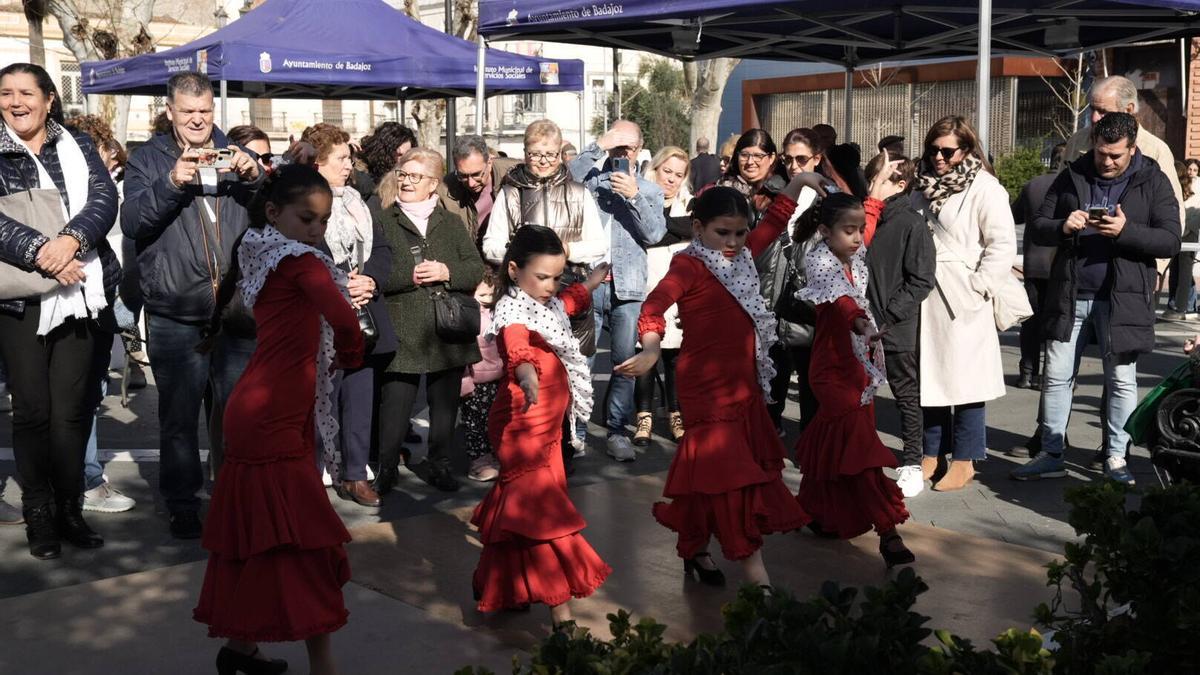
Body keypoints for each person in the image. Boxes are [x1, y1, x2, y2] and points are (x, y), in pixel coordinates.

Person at [193, 164, 362, 675]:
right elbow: (346, 319)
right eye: (307, 218)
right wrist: (349, 356)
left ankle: (240, 650)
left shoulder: (258, 247)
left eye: (323, 220)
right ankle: (323, 666)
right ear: (274, 212)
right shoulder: (301, 262)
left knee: (263, 536)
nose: (317, 230)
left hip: (263, 406)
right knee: (301, 542)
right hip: (272, 415)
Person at [615, 181, 816, 590]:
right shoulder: (688, 265)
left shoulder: (743, 255)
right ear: (698, 226)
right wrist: (652, 349)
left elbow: (776, 220)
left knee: (714, 477)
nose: (733, 241)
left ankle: (695, 548)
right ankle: (756, 575)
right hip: (705, 388)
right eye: (722, 232)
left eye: (740, 233)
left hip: (742, 385)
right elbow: (653, 307)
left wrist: (802, 181)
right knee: (731, 477)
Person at [122, 71, 264, 538]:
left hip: (236, 308)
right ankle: (182, 502)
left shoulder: (237, 154)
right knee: (179, 418)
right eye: (188, 112)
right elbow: (133, 222)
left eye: (205, 112)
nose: (198, 121)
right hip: (175, 309)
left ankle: (236, 495)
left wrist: (256, 176)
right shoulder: (149, 158)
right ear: (170, 112)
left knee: (238, 413)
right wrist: (171, 181)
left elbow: (273, 214)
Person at [1013, 113, 1181, 485]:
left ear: (1132, 148)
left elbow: (1170, 239)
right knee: (1056, 377)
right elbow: (1038, 224)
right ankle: (1051, 452)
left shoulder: (1152, 179)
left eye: (1115, 156)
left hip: (1123, 298)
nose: (1106, 161)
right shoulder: (1074, 173)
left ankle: (1116, 457)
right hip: (1070, 293)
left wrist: (1126, 230)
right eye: (1101, 153)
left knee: (1121, 379)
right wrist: (1063, 226)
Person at [0, 62, 120, 559]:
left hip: (82, 290)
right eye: (5, 93)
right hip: (20, 300)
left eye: (27, 92)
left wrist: (71, 241)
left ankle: (70, 509)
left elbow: (103, 197)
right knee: (32, 412)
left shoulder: (78, 144)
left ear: (50, 99)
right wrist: (43, 255)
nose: (15, 101)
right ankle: (40, 515)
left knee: (71, 412)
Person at [471, 226, 611, 624]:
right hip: (523, 424)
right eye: (542, 277)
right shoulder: (511, 310)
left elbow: (566, 303)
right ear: (514, 270)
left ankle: (494, 584)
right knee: (540, 515)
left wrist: (589, 283)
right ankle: (561, 618)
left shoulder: (544, 303)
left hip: (549, 428)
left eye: (556, 276)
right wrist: (527, 372)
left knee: (517, 512)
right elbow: (516, 344)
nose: (550, 286)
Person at [792, 193, 914, 566]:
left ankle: (813, 511)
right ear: (826, 231)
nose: (859, 236)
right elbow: (844, 302)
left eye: (860, 229)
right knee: (860, 454)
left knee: (837, 446)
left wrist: (875, 195)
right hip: (833, 370)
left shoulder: (851, 252)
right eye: (849, 230)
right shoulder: (819, 261)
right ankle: (888, 531)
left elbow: (868, 223)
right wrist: (861, 322)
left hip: (858, 365)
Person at [912, 115, 1016, 492]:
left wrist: (981, 285)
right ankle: (931, 452)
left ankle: (966, 458)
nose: (938, 157)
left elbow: (1002, 244)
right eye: (933, 149)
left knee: (967, 380)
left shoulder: (986, 188)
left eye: (947, 151)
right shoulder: (920, 185)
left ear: (967, 150)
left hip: (963, 294)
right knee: (931, 375)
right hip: (925, 292)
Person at [372, 147, 485, 494]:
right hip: (402, 327)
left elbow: (474, 269)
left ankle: (439, 464)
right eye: (403, 175)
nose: (406, 181)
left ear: (433, 184)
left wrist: (446, 271)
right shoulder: (382, 219)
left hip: (446, 329)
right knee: (395, 404)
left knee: (444, 405)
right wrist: (414, 275)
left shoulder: (450, 222)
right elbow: (376, 274)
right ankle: (386, 468)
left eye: (415, 176)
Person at [302, 123, 394, 508]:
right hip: (321, 316)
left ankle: (356, 476)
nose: (348, 164)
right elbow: (303, 253)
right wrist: (339, 284)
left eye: (349, 157)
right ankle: (312, 478)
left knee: (359, 397)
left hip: (362, 314)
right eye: (340, 158)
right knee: (321, 399)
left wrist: (369, 279)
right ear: (318, 163)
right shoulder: (303, 204)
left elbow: (385, 249)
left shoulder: (361, 199)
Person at [568, 120, 666, 461]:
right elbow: (565, 178)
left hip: (629, 288)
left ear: (639, 151)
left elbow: (654, 235)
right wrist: (599, 144)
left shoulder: (650, 191)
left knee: (624, 362)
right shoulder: (589, 182)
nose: (622, 153)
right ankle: (577, 432)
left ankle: (616, 430)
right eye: (617, 146)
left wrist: (634, 196)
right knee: (581, 363)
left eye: (628, 147)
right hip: (589, 285)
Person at [63, 113, 138, 515]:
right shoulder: (85, 186)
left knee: (89, 392)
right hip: (74, 295)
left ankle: (85, 479)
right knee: (77, 394)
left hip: (100, 293)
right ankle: (84, 482)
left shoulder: (100, 186)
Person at [862, 152, 936, 499]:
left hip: (895, 326)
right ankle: (863, 456)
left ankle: (910, 464)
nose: (873, 185)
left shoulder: (911, 223)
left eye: (880, 179)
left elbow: (921, 280)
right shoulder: (866, 219)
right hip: (862, 323)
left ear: (901, 184)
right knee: (859, 393)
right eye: (871, 178)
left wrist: (888, 315)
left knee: (906, 394)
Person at [482, 120, 606, 268]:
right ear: (525, 153)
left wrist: (566, 250)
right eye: (535, 154)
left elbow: (599, 245)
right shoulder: (510, 193)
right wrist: (522, 253)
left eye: (550, 154)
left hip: (569, 284)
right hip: (522, 283)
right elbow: (491, 245)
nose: (543, 161)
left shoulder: (580, 193)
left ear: (560, 154)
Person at [633, 146, 694, 446]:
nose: (671, 179)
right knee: (645, 357)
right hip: (646, 289)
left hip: (678, 294)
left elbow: (688, 229)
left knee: (675, 359)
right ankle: (642, 417)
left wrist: (671, 228)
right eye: (666, 171)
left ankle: (676, 415)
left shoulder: (690, 204)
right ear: (654, 169)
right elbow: (651, 235)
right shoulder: (639, 201)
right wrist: (678, 231)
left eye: (678, 175)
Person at [1014, 144, 1068, 389]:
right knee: (1055, 321)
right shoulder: (1073, 186)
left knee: (1031, 321)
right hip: (1061, 264)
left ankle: (1027, 372)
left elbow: (1013, 216)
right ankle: (1047, 374)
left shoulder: (1032, 186)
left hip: (1034, 263)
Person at [440, 135, 519, 247]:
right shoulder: (445, 189)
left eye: (476, 174)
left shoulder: (516, 175)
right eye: (463, 175)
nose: (471, 183)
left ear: (490, 163)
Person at [462, 273, 503, 483]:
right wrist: (465, 381)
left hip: (498, 378)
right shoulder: (467, 315)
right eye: (482, 293)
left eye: (491, 293)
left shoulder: (500, 311)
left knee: (495, 421)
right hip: (475, 380)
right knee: (475, 424)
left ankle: (495, 456)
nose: (488, 297)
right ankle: (479, 461)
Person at [716, 129, 786, 226]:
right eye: (744, 155)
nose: (750, 162)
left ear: (771, 158)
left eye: (758, 156)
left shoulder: (783, 191)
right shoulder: (722, 190)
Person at [1165, 160, 1199, 320]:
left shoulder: (1195, 189)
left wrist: (1183, 229)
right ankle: (1173, 304)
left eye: (1195, 169)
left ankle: (1181, 307)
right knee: (1175, 270)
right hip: (1176, 233)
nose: (1192, 172)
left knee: (1184, 272)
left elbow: (1193, 215)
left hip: (1188, 233)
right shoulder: (1174, 189)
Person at [355, 121, 416, 199]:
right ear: (384, 152)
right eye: (399, 154)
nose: (403, 160)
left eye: (407, 154)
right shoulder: (362, 179)